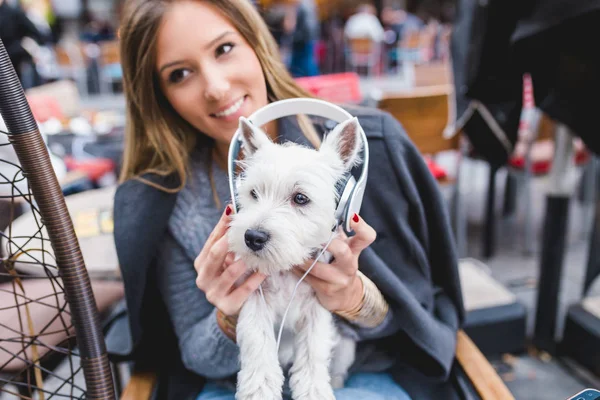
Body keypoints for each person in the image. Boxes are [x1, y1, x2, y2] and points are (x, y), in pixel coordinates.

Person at [113, 0, 466, 399]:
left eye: (224, 49)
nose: (215, 88)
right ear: (159, 94)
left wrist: (353, 297)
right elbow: (196, 358)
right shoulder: (163, 202)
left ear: (257, 41)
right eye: (179, 74)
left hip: (359, 373)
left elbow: (420, 317)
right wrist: (229, 317)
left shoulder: (375, 149)